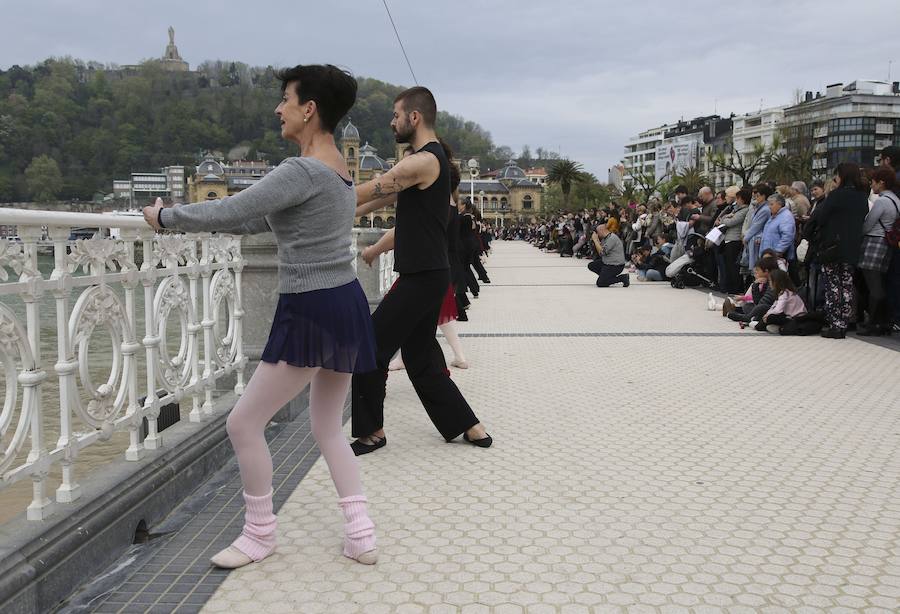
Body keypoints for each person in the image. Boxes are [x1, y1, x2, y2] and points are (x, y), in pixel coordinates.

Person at [142, 65, 378, 568]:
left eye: (285, 100)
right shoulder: (339, 172)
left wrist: (166, 218)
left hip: (311, 306)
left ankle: (259, 533)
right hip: (344, 299)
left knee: (244, 423)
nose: (278, 109)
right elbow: (256, 219)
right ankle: (360, 533)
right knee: (329, 426)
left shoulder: (300, 170)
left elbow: (228, 210)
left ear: (308, 108)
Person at [350, 86, 491, 455]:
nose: (391, 121)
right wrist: (348, 213)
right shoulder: (426, 163)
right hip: (429, 274)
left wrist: (320, 200)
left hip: (421, 276)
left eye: (396, 115)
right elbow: (383, 197)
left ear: (414, 117)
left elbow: (369, 189)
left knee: (370, 345)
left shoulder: (422, 161)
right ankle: (469, 425)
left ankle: (371, 432)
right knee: (420, 357)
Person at [806, 162, 869, 339]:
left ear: (842, 176)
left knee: (833, 285)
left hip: (832, 247)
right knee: (847, 285)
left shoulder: (835, 195)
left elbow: (822, 217)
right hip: (853, 247)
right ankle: (844, 322)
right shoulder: (862, 196)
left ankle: (835, 325)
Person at [857, 167, 900, 335]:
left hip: (874, 243)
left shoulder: (882, 202)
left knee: (874, 286)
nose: (871, 184)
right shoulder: (896, 200)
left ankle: (873, 323)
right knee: (880, 284)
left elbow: (867, 225)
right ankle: (884, 321)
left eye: (873, 181)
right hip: (887, 244)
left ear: (881, 183)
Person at [718, 187, 750, 293]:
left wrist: (726, 218)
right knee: (728, 265)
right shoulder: (736, 209)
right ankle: (730, 287)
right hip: (729, 239)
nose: (737, 201)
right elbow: (723, 219)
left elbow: (730, 222)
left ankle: (736, 288)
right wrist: (727, 217)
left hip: (735, 240)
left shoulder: (745, 210)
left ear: (743, 199)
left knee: (734, 266)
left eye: (738, 198)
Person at [588, 222, 629, 287]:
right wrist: (597, 241)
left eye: (597, 232)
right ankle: (606, 277)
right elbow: (600, 250)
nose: (597, 234)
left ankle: (622, 278)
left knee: (600, 283)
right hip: (607, 262)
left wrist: (595, 240)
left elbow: (602, 253)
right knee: (591, 265)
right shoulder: (606, 238)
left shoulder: (612, 238)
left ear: (601, 231)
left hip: (615, 266)